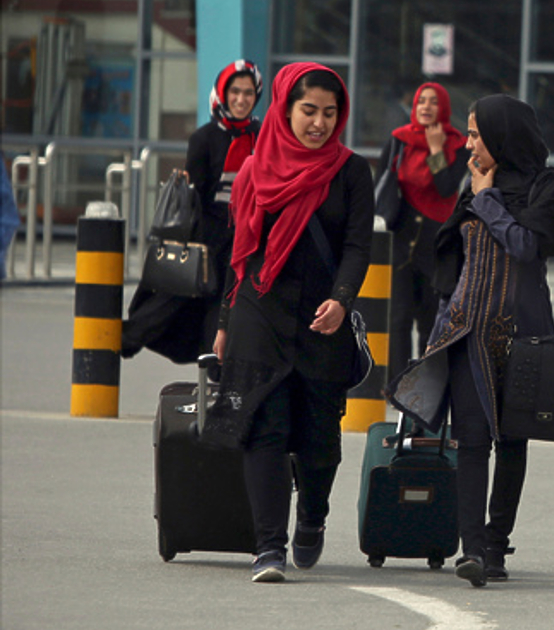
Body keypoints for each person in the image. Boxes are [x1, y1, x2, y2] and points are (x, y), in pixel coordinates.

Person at [386, 94, 554, 587]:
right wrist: (436, 341)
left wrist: (487, 201)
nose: (469, 143)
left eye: (477, 134)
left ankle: (497, 545)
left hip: (523, 340)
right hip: (466, 332)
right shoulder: (477, 186)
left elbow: (523, 245)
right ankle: (473, 548)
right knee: (472, 443)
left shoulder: (547, 188)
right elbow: (456, 270)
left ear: (503, 137)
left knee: (513, 443)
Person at [208, 62, 374, 583]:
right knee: (266, 426)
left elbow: (356, 245)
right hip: (260, 309)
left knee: (321, 441)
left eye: (329, 112)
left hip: (322, 318)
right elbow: (238, 252)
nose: (318, 122)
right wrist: (225, 320)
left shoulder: (351, 172)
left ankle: (313, 515)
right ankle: (268, 548)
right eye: (308, 111)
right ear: (284, 108)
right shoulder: (257, 169)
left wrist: (343, 300)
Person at [122, 60, 263, 362]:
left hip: (247, 235)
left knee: (229, 310)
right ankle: (122, 341)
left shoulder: (262, 136)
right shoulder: (204, 138)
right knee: (177, 297)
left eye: (249, 93)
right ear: (222, 94)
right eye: (235, 91)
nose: (241, 99)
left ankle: (216, 375)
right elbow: (195, 193)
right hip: (209, 236)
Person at [374, 82, 470, 376]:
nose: (426, 107)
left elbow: (445, 188)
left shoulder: (458, 145)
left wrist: (436, 149)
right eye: (421, 102)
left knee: (430, 319)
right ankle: (397, 382)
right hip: (401, 238)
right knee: (399, 317)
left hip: (436, 240)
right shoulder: (398, 141)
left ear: (443, 108)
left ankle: (426, 382)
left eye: (433, 102)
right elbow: (381, 184)